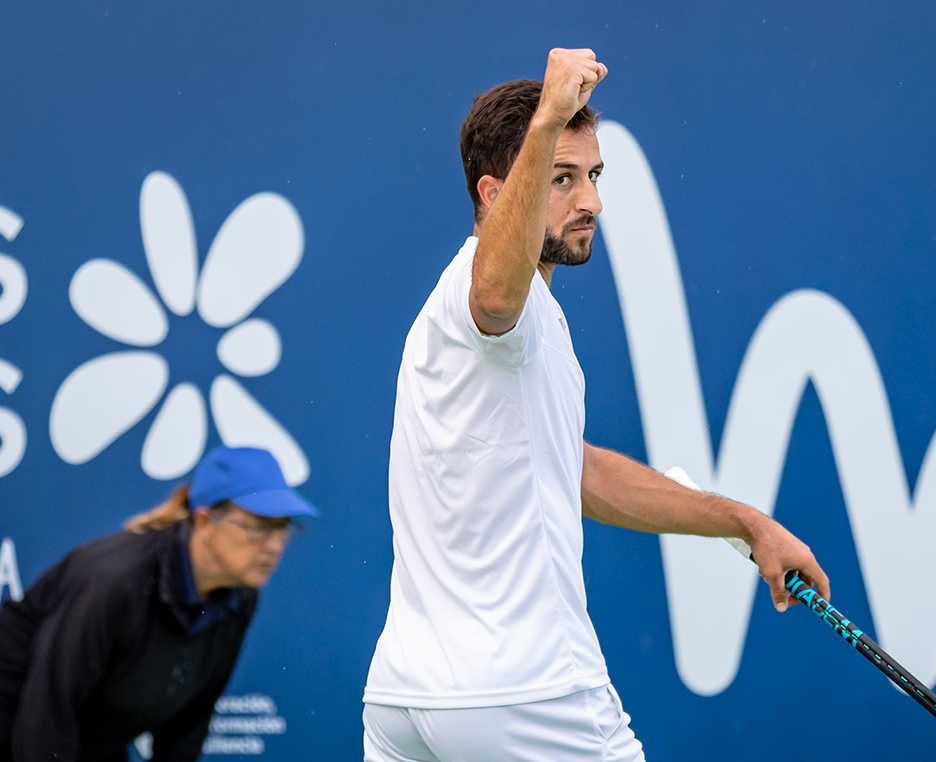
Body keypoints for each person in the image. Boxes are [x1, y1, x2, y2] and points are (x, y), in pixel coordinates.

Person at [363, 48, 831, 762]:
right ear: (494, 193)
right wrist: (548, 113)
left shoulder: (527, 322)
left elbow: (575, 472)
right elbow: (495, 296)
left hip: (409, 700)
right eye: (561, 178)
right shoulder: (489, 301)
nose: (592, 202)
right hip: (524, 693)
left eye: (593, 176)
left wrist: (743, 522)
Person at [0, 446, 318, 762]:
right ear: (205, 521)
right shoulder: (113, 580)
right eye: (258, 527)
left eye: (282, 527)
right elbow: (46, 715)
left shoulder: (240, 597)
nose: (275, 546)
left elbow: (187, 730)